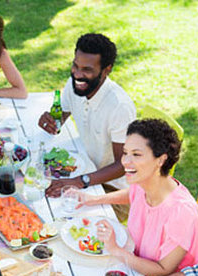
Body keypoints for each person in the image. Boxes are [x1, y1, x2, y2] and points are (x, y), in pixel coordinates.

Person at [77, 119, 198, 276]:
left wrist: (115, 249)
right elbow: (132, 195)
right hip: (136, 266)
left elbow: (163, 270)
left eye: (136, 155)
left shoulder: (182, 212)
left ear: (160, 160)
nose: (126, 162)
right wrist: (93, 199)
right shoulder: (144, 181)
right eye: (126, 153)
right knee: (80, 274)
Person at [38, 33, 136, 202]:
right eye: (75, 66)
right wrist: (51, 122)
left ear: (106, 70)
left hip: (112, 190)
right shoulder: (76, 84)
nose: (77, 74)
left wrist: (79, 181)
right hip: (82, 167)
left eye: (87, 70)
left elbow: (123, 164)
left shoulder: (120, 107)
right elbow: (60, 118)